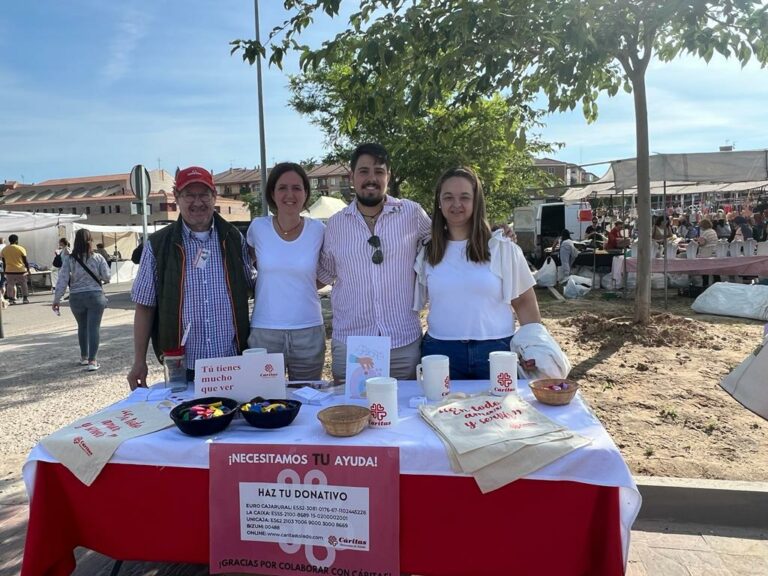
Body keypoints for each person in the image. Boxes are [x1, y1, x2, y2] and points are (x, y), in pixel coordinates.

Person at [128, 166, 255, 390]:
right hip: (182, 367)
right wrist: (139, 360)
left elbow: (253, 286)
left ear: (214, 196)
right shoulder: (157, 246)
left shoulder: (234, 238)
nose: (197, 202)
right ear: (177, 197)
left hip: (232, 363)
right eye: (189, 195)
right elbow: (145, 307)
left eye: (204, 194)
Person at [413, 166, 541, 380]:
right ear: (439, 202)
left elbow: (524, 302)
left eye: (464, 197)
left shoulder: (502, 247)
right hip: (440, 352)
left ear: (476, 201)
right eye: (448, 197)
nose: (456, 204)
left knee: (502, 403)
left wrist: (534, 347)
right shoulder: (427, 251)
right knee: (439, 404)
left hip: (498, 351)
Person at [318, 143, 431, 383]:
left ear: (388, 176)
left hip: (402, 342)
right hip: (352, 345)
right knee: (349, 407)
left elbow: (448, 241)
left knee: (404, 406)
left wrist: (491, 236)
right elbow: (323, 275)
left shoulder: (412, 214)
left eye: (379, 171)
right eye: (364, 171)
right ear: (351, 177)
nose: (371, 179)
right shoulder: (335, 225)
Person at [245, 162, 326, 381]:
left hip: (308, 331)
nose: (290, 194)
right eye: (282, 188)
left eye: (297, 188)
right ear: (272, 193)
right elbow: (249, 267)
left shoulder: (319, 230)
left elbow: (328, 271)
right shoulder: (257, 228)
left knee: (307, 396)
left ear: (305, 193)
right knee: (264, 397)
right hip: (265, 331)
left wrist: (304, 284)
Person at [52, 228, 111, 371]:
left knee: (82, 326)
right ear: (90, 240)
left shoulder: (69, 259)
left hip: (76, 296)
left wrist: (57, 299)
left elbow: (62, 280)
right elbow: (107, 277)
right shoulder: (98, 257)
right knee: (94, 327)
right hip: (95, 296)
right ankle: (92, 361)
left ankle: (84, 357)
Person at [1, 234, 30, 304]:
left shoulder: (4, 250)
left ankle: (11, 299)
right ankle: (25, 298)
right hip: (20, 270)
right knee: (23, 284)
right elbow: (25, 260)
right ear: (16, 240)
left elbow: (4, 262)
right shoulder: (21, 248)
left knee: (10, 285)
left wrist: (5, 271)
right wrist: (28, 269)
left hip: (9, 270)